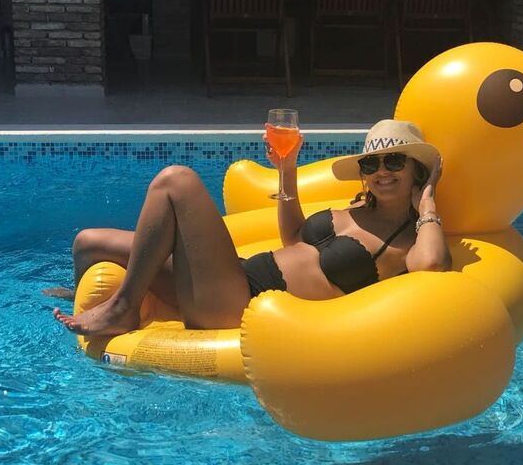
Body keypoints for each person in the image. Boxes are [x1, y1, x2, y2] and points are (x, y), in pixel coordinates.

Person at [50, 120, 450, 338]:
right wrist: (287, 169)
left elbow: (432, 267)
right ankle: (91, 297)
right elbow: (294, 239)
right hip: (235, 275)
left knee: (176, 181)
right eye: (371, 163)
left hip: (238, 303)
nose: (381, 172)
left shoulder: (410, 239)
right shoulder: (355, 209)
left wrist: (428, 200)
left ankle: (122, 309)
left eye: (394, 162)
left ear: (415, 170)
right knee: (89, 243)